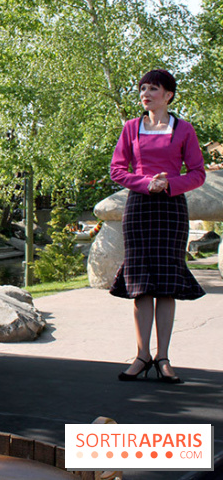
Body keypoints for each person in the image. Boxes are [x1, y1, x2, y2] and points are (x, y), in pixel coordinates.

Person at [109, 69, 206, 384]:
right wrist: (145, 182)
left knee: (166, 284)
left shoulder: (184, 130)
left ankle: (163, 357)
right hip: (139, 208)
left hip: (171, 208)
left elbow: (198, 173)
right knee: (140, 285)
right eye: (143, 89)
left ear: (168, 95)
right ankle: (141, 355)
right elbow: (117, 170)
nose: (145, 94)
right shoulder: (131, 128)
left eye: (153, 88)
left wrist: (169, 184)